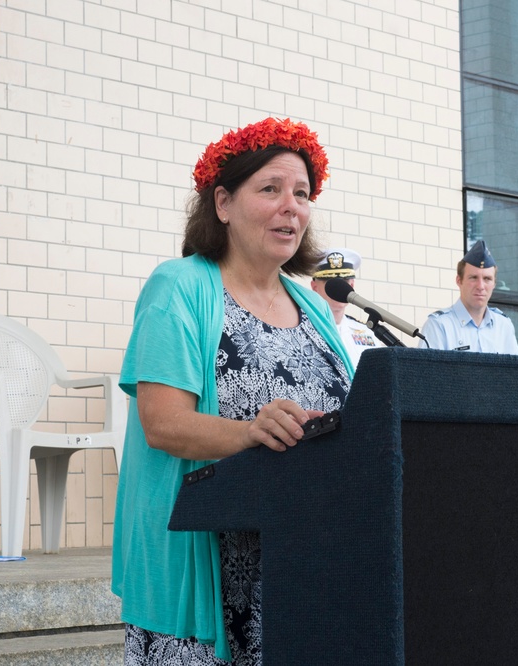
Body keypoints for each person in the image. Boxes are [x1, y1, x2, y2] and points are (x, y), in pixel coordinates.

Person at [112, 117, 354, 666]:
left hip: (298, 569)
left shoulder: (316, 307)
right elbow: (163, 422)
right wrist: (251, 432)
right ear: (222, 203)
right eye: (269, 189)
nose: (290, 206)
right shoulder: (179, 286)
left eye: (301, 193)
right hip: (203, 566)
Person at [421, 240, 518, 354]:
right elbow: (426, 372)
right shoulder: (439, 326)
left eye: (487, 279)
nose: (481, 286)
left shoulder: (503, 326)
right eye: (473, 278)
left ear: (494, 284)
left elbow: (515, 371)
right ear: (459, 281)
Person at [309, 248, 384, 368]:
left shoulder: (367, 333)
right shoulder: (303, 330)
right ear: (315, 287)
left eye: (344, 281)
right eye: (331, 283)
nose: (339, 289)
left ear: (352, 285)